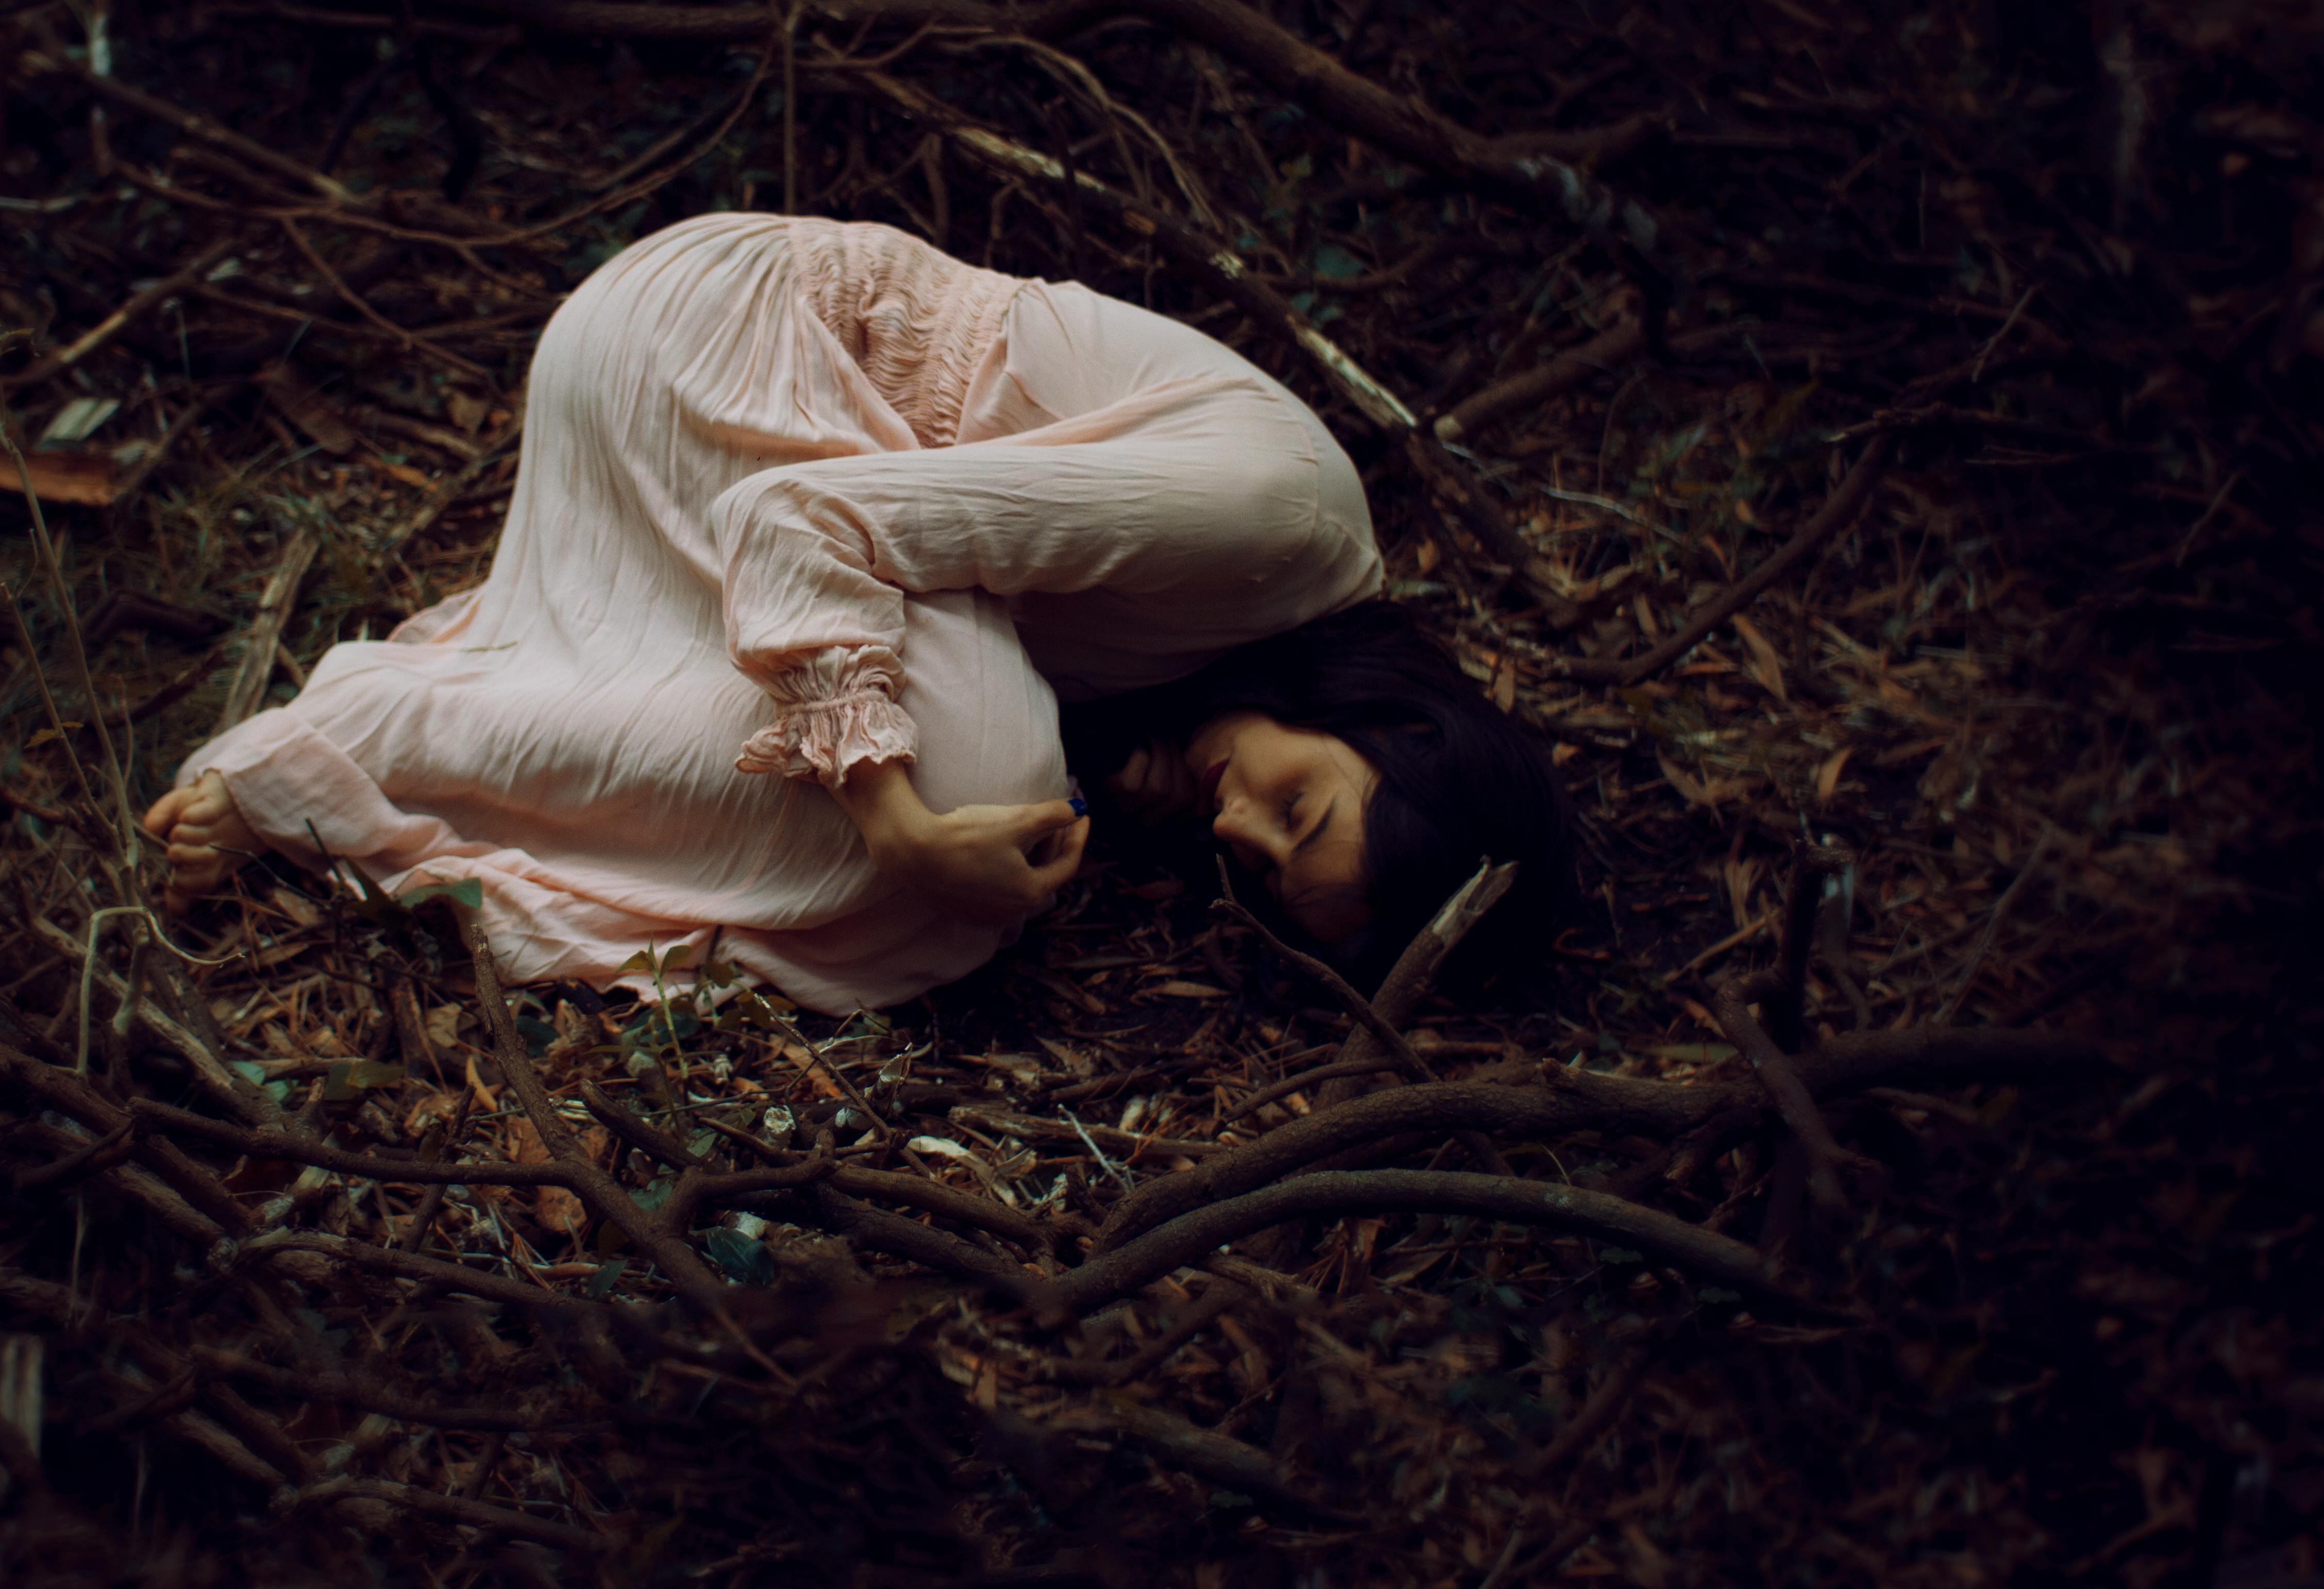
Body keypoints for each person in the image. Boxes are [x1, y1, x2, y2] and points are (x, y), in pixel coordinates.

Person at [142, 212, 1570, 1012]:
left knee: (945, 787)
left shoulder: (1235, 657)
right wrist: (901, 825)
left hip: (736, 382)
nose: (1233, 829)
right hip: (732, 344)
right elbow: (808, 522)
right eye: (1298, 810)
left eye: (1260, 869)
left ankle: (406, 728)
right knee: (944, 805)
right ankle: (375, 738)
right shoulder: (1279, 529)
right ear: (1395, 722)